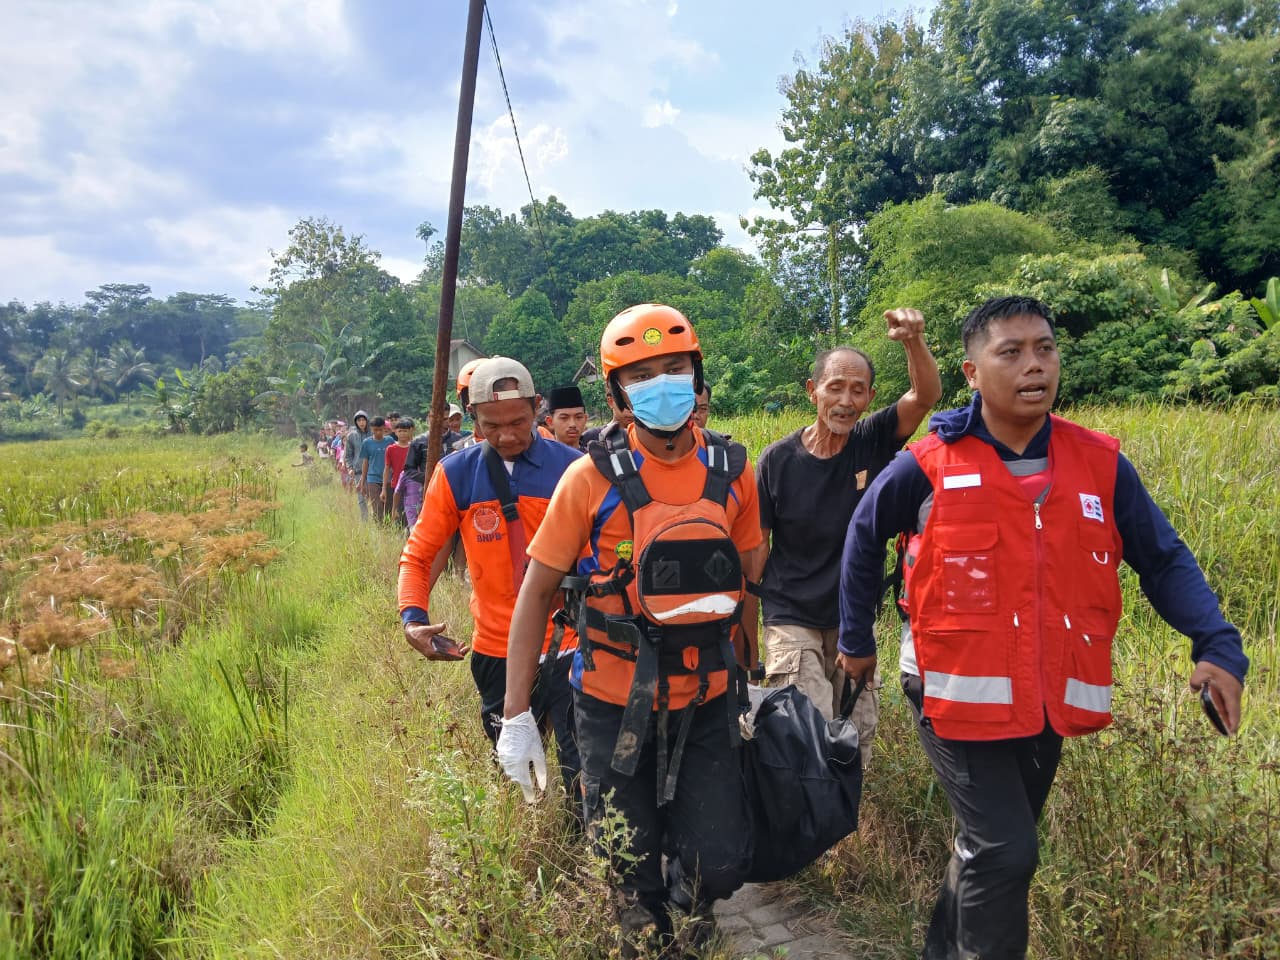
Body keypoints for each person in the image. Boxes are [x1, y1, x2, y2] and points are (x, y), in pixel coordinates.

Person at [837, 295, 1249, 960]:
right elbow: (862, 537)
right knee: (1006, 849)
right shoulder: (931, 462)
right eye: (1011, 352)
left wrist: (1217, 644)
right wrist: (855, 642)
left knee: (993, 845)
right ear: (972, 372)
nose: (1035, 365)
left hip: (1046, 696)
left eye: (1045, 348)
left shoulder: (1100, 464)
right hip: (951, 692)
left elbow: (1163, 559)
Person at [498, 304, 765, 957]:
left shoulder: (733, 469)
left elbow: (750, 583)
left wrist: (752, 675)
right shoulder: (588, 480)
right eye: (642, 375)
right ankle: (653, 935)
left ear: (698, 379)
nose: (663, 384)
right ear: (617, 396)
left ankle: (689, 906)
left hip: (706, 697)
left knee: (721, 858)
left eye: (675, 368)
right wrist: (516, 715)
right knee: (624, 859)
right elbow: (535, 595)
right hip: (612, 702)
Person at [757, 309, 941, 767]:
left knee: (855, 735)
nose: (845, 399)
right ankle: (799, 829)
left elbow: (924, 396)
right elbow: (758, 550)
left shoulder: (872, 440)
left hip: (850, 619)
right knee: (806, 727)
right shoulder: (776, 461)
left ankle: (842, 831)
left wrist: (912, 340)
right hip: (790, 612)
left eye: (858, 390)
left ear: (870, 397)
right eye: (835, 387)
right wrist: (743, 636)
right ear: (812, 391)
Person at [397, 357, 584, 797]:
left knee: (583, 768)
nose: (505, 435)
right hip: (496, 649)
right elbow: (421, 555)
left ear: (537, 408)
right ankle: (526, 846)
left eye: (517, 421)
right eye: (490, 425)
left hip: (571, 645)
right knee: (515, 773)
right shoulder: (456, 474)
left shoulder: (574, 469)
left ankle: (586, 850)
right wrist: (412, 617)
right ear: (474, 420)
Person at [358, 417, 394, 523]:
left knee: (388, 506)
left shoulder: (390, 441)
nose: (378, 432)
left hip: (388, 479)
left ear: (384, 428)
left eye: (380, 430)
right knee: (377, 507)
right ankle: (380, 529)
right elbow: (365, 462)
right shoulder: (367, 443)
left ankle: (387, 529)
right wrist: (362, 481)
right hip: (372, 478)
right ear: (371, 429)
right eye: (375, 430)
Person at [384, 417, 414, 530]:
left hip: (411, 486)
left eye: (405, 431)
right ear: (395, 432)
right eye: (399, 431)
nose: (402, 433)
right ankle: (400, 534)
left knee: (411, 512)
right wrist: (383, 488)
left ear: (410, 432)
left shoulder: (413, 447)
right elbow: (387, 468)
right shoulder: (390, 449)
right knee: (398, 511)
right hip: (396, 485)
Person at [344, 411, 371, 513]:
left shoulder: (373, 433)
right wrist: (350, 468)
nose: (361, 422)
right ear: (356, 422)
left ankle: (376, 521)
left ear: (367, 420)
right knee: (361, 498)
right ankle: (365, 522)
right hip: (358, 471)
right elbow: (348, 455)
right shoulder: (351, 436)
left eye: (363, 420)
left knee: (373, 497)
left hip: (372, 470)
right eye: (359, 420)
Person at [546, 385, 588, 449]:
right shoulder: (542, 458)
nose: (572, 424)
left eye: (578, 417)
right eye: (564, 418)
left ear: (585, 419)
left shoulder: (595, 457)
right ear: (550, 422)